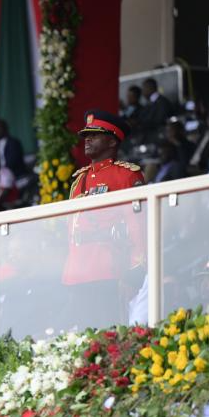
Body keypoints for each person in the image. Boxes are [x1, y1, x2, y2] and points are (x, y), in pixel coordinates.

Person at [63, 110, 147, 329]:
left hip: (109, 269)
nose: (87, 140)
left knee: (109, 334)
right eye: (86, 135)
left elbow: (138, 227)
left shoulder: (127, 176)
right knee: (81, 336)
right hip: (77, 271)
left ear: (112, 141)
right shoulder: (80, 179)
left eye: (94, 135)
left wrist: (135, 270)